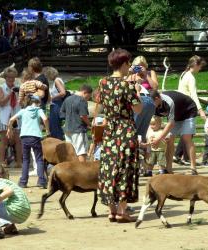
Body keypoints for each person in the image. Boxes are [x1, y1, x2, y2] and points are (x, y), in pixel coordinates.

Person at [97, 48, 142, 223]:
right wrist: (136, 89)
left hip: (110, 131)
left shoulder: (102, 82)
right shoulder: (127, 85)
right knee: (125, 168)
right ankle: (123, 211)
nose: (129, 66)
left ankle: (111, 211)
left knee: (109, 167)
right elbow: (138, 109)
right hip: (126, 130)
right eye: (128, 63)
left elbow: (101, 103)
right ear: (123, 64)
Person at [150, 90, 198, 175]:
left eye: (151, 102)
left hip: (188, 111)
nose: (150, 104)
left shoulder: (168, 102)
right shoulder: (154, 104)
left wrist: (158, 139)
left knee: (186, 137)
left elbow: (170, 124)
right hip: (176, 115)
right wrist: (155, 135)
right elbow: (157, 120)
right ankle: (168, 168)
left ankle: (193, 168)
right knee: (169, 139)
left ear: (157, 98)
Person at [7, 95, 49, 189]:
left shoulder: (23, 110)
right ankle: (41, 181)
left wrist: (9, 129)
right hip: (36, 136)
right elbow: (45, 119)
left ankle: (23, 182)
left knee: (26, 160)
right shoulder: (38, 110)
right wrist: (47, 130)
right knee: (39, 159)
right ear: (37, 102)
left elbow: (11, 119)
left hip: (24, 136)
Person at [176, 55, 206, 165]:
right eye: (200, 66)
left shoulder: (184, 74)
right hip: (187, 106)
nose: (200, 69)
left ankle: (179, 155)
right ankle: (186, 157)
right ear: (195, 65)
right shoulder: (191, 77)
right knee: (188, 131)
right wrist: (200, 109)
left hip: (181, 104)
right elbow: (193, 94)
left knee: (186, 131)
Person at [128, 55, 158, 143]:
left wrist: (146, 75)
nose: (139, 69)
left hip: (148, 100)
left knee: (138, 130)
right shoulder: (132, 75)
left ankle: (139, 150)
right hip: (137, 101)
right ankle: (138, 148)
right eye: (137, 66)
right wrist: (130, 73)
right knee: (137, 129)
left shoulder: (150, 73)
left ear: (145, 65)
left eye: (141, 66)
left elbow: (155, 87)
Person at [0, 67, 22, 168]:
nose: (11, 79)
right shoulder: (1, 88)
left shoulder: (18, 87)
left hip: (16, 116)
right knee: (4, 140)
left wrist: (20, 93)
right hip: (5, 117)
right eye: (9, 77)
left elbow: (22, 103)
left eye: (13, 77)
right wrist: (10, 93)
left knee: (17, 140)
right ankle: (1, 162)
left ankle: (19, 162)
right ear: (5, 77)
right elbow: (1, 103)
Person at [60, 84, 92, 162]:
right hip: (78, 130)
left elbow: (62, 113)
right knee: (81, 152)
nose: (88, 99)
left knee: (71, 152)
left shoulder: (67, 99)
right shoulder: (82, 100)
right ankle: (82, 172)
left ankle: (72, 172)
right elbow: (83, 116)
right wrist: (90, 124)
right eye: (88, 96)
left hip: (67, 130)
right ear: (85, 92)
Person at [44, 66, 66, 140]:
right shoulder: (58, 80)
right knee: (55, 125)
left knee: (54, 125)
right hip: (56, 104)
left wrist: (51, 99)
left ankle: (57, 140)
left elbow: (63, 92)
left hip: (56, 104)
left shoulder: (57, 80)